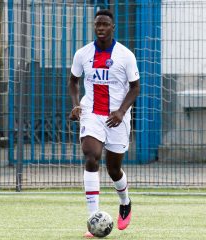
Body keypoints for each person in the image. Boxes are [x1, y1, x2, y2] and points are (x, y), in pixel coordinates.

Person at [68, 9, 140, 238]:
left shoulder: (125, 55)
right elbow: (73, 81)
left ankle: (125, 201)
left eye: (105, 24)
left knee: (113, 168)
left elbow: (136, 87)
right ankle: (93, 217)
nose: (101, 28)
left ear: (112, 27)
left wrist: (121, 111)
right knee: (91, 156)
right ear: (94, 26)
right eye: (97, 24)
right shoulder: (82, 54)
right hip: (91, 112)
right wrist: (76, 104)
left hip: (117, 117)